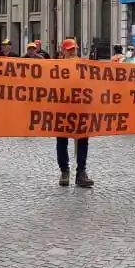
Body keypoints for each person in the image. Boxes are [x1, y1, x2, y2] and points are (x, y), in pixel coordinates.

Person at [54, 39, 94, 188]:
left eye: (74, 49)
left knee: (83, 140)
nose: (72, 52)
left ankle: (81, 173)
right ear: (63, 51)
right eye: (69, 50)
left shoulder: (84, 66)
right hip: (61, 109)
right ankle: (64, 171)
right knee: (61, 141)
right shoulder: (55, 67)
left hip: (81, 109)